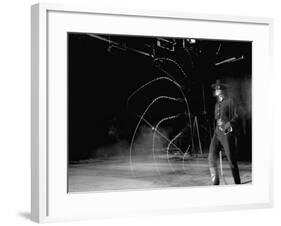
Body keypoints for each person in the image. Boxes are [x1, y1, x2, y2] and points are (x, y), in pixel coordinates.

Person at [208, 80, 241, 185]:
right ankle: (215, 182)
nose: (217, 90)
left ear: (222, 90)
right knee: (211, 156)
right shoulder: (217, 104)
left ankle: (237, 183)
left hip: (226, 133)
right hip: (217, 133)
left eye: (219, 88)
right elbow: (216, 118)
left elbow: (237, 116)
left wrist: (228, 125)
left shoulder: (230, 101)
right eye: (216, 88)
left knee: (231, 160)